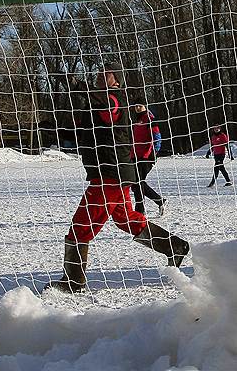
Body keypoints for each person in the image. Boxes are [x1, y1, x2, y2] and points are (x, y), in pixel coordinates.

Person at [47, 68, 189, 293]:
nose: (101, 75)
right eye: (100, 72)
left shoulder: (114, 98)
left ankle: (73, 282)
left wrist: (75, 84)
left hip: (110, 175)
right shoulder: (99, 100)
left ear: (116, 81)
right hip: (113, 173)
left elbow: (107, 110)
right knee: (127, 219)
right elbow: (89, 129)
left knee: (80, 227)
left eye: (108, 73)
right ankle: (175, 246)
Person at [130, 104, 166, 216]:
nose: (137, 108)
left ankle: (140, 210)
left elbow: (157, 136)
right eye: (135, 106)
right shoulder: (136, 119)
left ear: (145, 107)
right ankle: (160, 201)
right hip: (134, 156)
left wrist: (154, 152)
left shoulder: (149, 119)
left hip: (146, 157)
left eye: (140, 106)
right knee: (135, 183)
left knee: (138, 182)